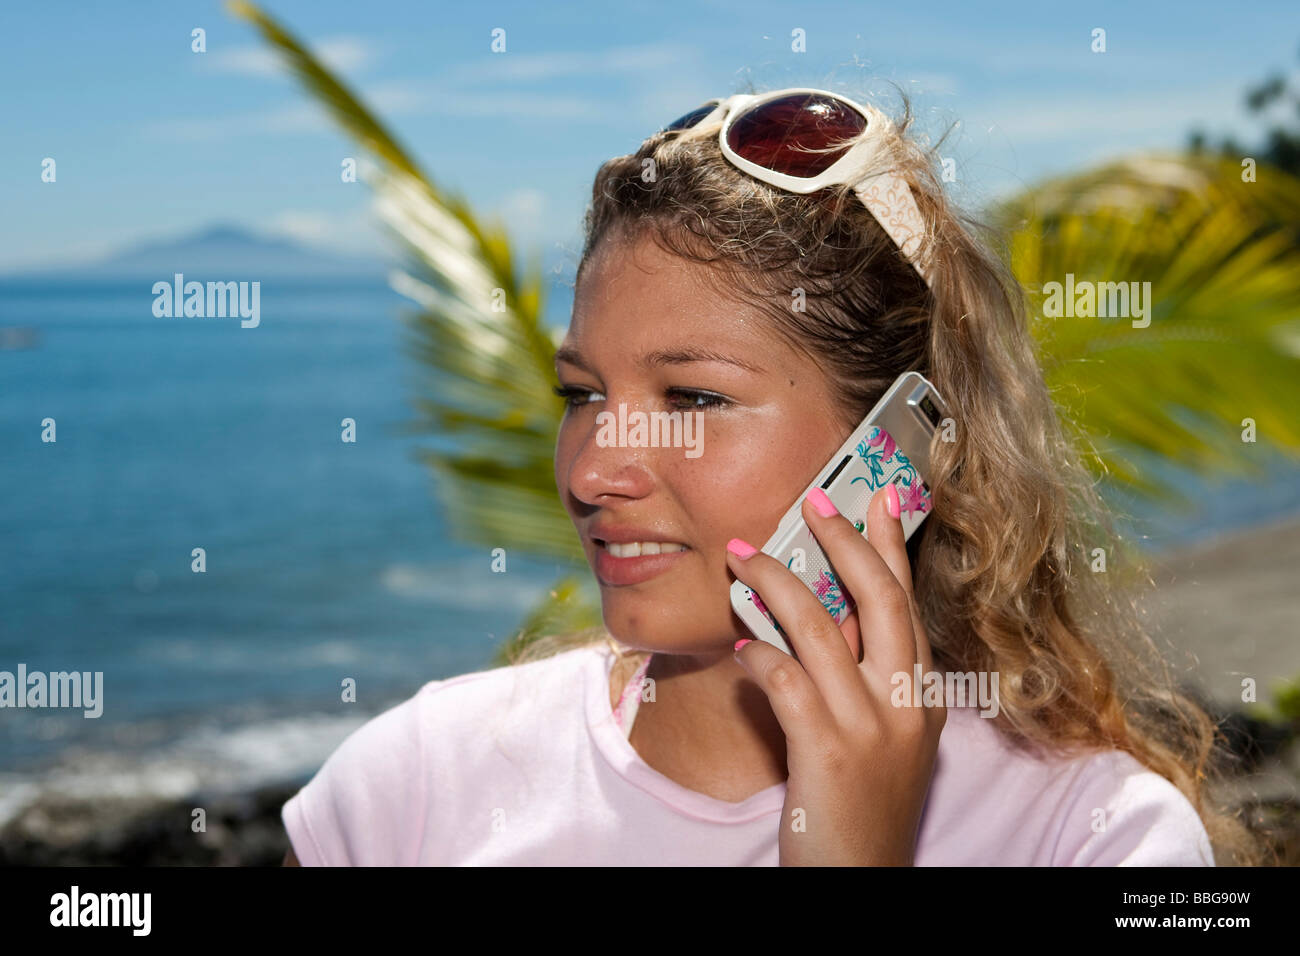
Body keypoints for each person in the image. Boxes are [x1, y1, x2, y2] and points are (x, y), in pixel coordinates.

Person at [279, 87, 1262, 866]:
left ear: (898, 451)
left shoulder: (1091, 838)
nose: (590, 466)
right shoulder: (413, 785)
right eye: (580, 392)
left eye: (693, 399)